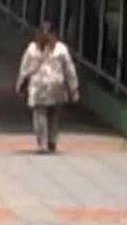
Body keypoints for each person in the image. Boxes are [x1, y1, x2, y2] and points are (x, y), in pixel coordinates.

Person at [16, 21, 80, 153]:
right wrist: (74, 88)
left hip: (38, 85)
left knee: (39, 114)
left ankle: (43, 143)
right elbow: (69, 70)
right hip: (56, 85)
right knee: (54, 115)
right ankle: (52, 140)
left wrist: (20, 85)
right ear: (55, 34)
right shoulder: (61, 49)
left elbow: (24, 68)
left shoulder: (32, 49)